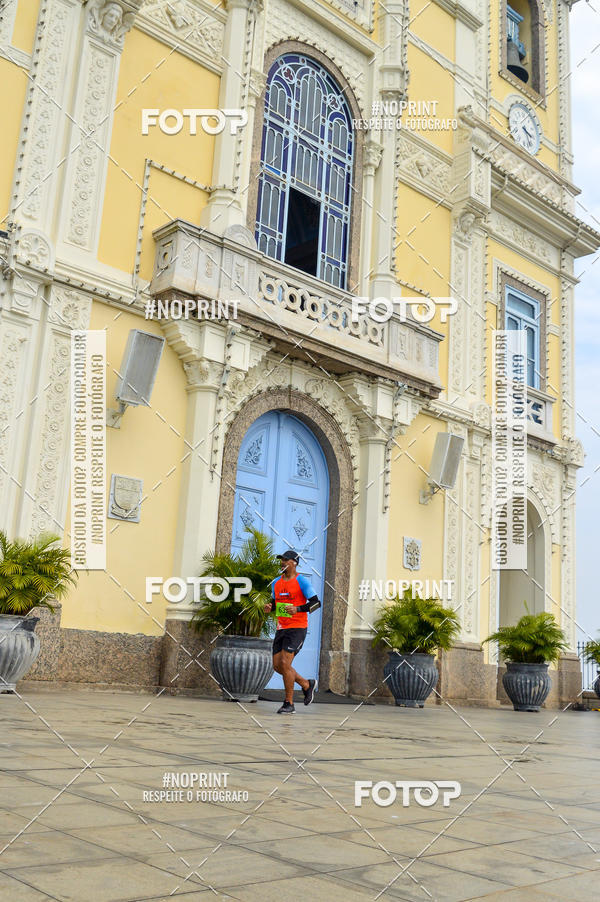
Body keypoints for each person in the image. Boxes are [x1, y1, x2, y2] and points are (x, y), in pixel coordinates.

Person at [264, 550, 321, 714]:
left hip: (297, 628)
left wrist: (298, 609)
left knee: (285, 664)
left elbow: (316, 603)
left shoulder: (302, 581)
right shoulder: (276, 582)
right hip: (281, 628)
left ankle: (289, 703)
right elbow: (275, 603)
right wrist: (270, 607)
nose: (282, 563)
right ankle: (306, 684)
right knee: (277, 666)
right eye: (281, 560)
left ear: (294, 563)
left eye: (286, 560)